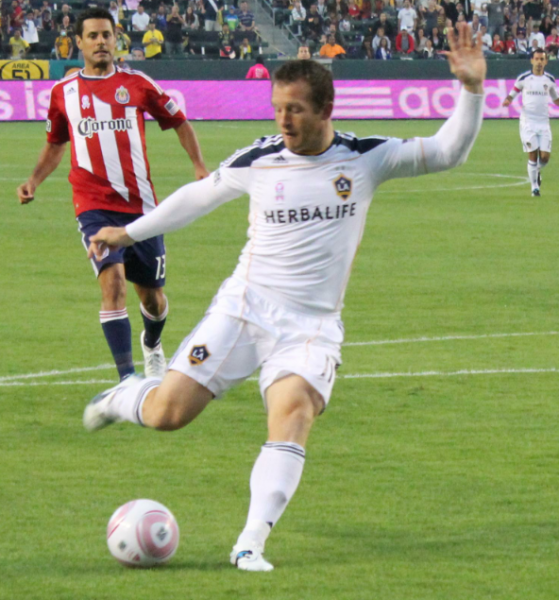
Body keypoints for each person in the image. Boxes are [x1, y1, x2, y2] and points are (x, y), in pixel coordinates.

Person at [83, 23, 485, 572]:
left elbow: (447, 152)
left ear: (326, 109)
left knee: (292, 414)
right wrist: (127, 234)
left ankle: (250, 543)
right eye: (277, 108)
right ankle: (122, 396)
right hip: (243, 309)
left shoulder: (365, 158)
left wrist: (471, 90)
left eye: (295, 109)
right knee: (165, 415)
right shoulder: (261, 159)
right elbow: (198, 198)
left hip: (311, 325)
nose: (283, 120)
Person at [16, 8, 208, 382]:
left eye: (106, 35)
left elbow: (178, 121)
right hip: (93, 207)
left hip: (142, 208)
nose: (101, 42)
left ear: (116, 38)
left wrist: (199, 166)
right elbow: (56, 143)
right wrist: (34, 181)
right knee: (113, 283)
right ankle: (127, 382)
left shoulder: (137, 83)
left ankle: (152, 343)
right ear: (79, 43)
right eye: (93, 36)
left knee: (152, 299)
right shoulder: (63, 93)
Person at [502, 48, 559, 197]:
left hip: (544, 122)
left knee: (545, 157)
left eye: (542, 59)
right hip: (528, 122)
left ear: (546, 61)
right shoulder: (524, 78)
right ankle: (535, 188)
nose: (539, 62)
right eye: (537, 59)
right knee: (532, 154)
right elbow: (513, 93)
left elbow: (556, 99)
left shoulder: (550, 80)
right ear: (532, 60)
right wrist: (508, 100)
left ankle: (536, 171)